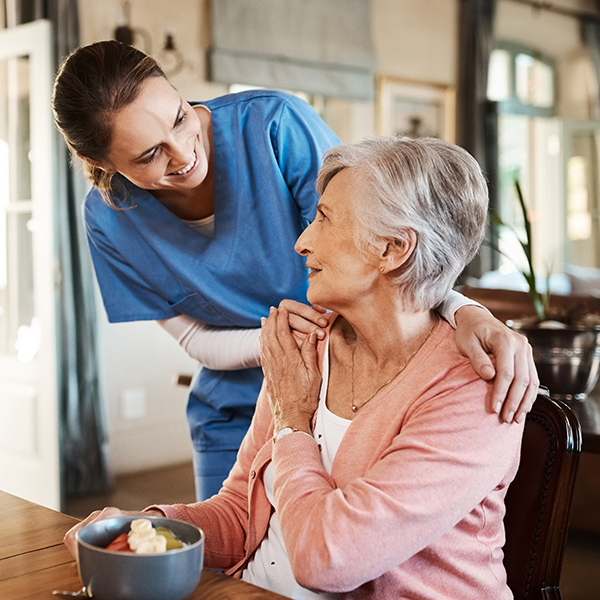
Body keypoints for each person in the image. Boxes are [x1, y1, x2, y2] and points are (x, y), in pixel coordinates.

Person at [52, 40, 538, 501]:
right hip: (235, 406)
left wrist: (464, 310)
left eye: (180, 118)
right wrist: (278, 348)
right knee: (230, 567)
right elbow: (193, 340)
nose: (184, 154)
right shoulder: (109, 220)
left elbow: (387, 242)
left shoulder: (274, 126)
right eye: (149, 154)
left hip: (348, 387)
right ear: (98, 162)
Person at [65, 136, 525, 599]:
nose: (302, 242)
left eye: (324, 219)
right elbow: (241, 515)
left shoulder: (476, 387)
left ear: (392, 250)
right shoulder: (308, 347)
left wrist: (292, 422)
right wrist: (147, 528)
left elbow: (326, 559)